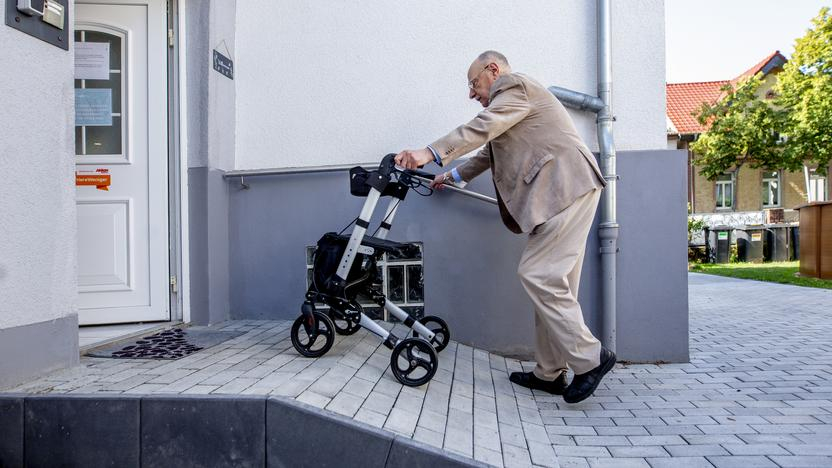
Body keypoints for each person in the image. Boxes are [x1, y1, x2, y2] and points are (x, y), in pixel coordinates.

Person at [394, 51, 615, 403]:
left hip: (564, 189)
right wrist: (450, 175)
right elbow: (489, 150)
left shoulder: (514, 86)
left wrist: (430, 151)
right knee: (555, 286)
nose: (472, 94)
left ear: (493, 70)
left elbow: (481, 128)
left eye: (473, 83)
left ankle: (591, 358)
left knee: (538, 275)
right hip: (563, 194)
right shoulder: (510, 108)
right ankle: (549, 372)